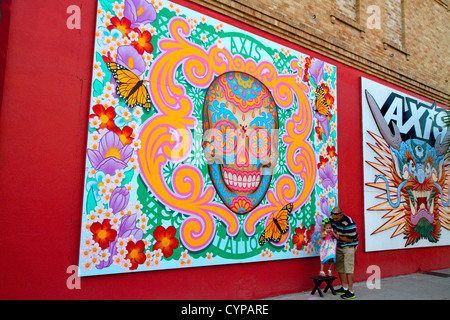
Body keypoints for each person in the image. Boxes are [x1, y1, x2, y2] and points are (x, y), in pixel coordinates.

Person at [330, 206, 358, 299]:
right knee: (340, 267)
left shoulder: (349, 223)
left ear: (341, 214)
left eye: (337, 218)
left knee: (349, 268)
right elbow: (326, 223)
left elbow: (350, 239)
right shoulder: (332, 218)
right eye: (333, 218)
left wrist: (338, 237)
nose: (335, 220)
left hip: (349, 246)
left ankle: (351, 291)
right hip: (339, 246)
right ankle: (344, 287)